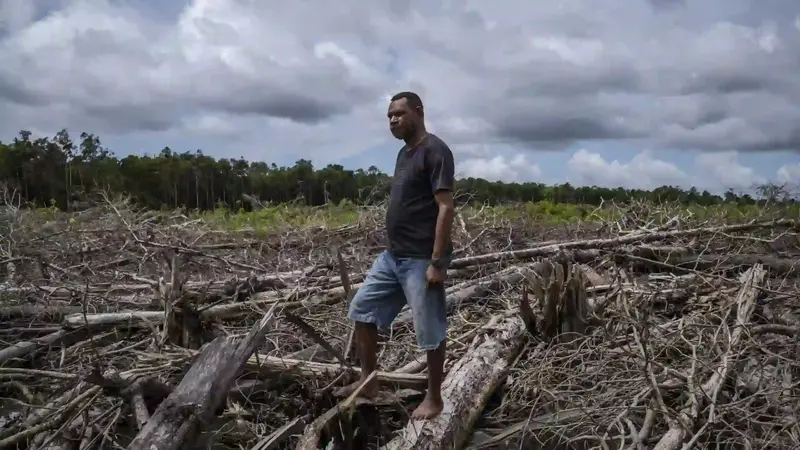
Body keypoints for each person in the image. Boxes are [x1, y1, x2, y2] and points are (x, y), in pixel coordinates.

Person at [335, 91, 456, 420]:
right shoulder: (405, 155)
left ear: (418, 112)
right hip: (393, 257)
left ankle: (434, 398)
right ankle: (369, 381)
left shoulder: (435, 150)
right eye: (389, 116)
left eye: (399, 114)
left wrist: (437, 262)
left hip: (420, 260)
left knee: (430, 330)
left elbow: (445, 208)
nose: (392, 120)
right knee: (362, 310)